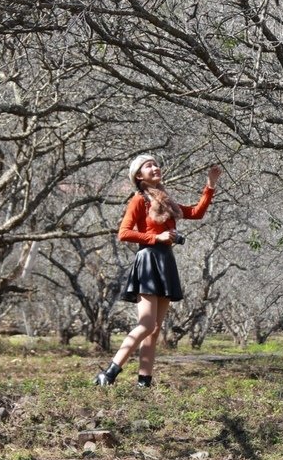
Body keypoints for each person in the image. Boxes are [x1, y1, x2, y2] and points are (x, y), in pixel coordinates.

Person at [95, 155, 223, 387]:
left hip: (166, 261)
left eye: (156, 164)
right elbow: (124, 233)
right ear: (138, 175)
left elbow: (196, 212)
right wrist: (157, 237)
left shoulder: (166, 200)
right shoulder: (139, 200)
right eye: (148, 166)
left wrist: (210, 185)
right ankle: (109, 373)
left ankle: (144, 381)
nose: (155, 168)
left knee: (154, 330)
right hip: (148, 260)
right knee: (145, 325)